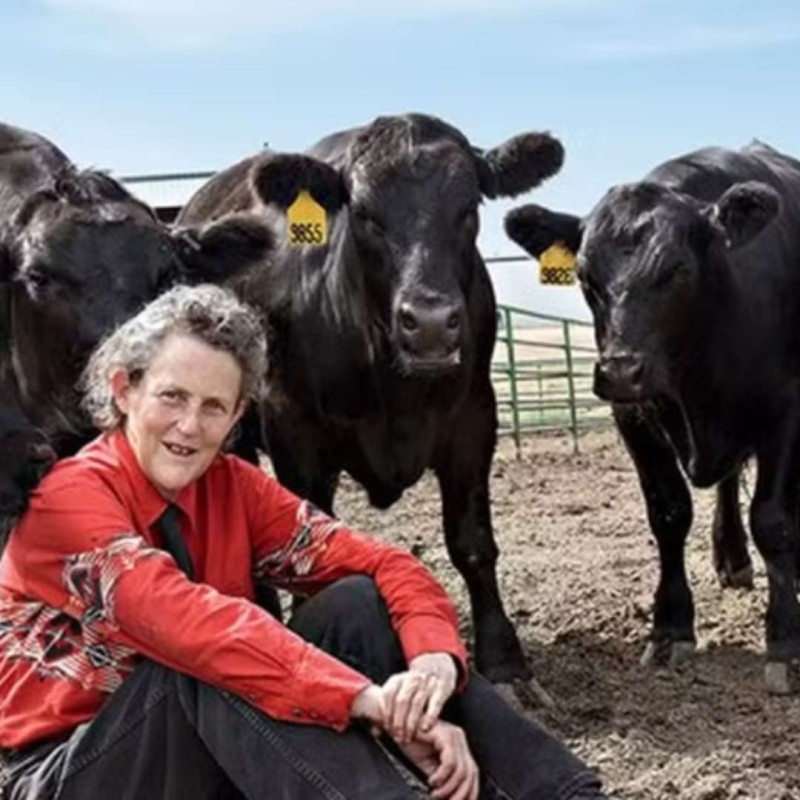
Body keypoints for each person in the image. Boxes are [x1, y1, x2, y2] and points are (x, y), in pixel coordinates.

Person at [0, 284, 605, 800]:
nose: (190, 426)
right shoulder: (70, 498)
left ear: (238, 418)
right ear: (124, 390)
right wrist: (366, 700)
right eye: (171, 397)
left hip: (205, 751)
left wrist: (430, 669)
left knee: (356, 602)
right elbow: (188, 628)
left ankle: (560, 792)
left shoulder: (233, 486)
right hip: (66, 767)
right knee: (209, 662)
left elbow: (385, 564)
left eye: (214, 407)